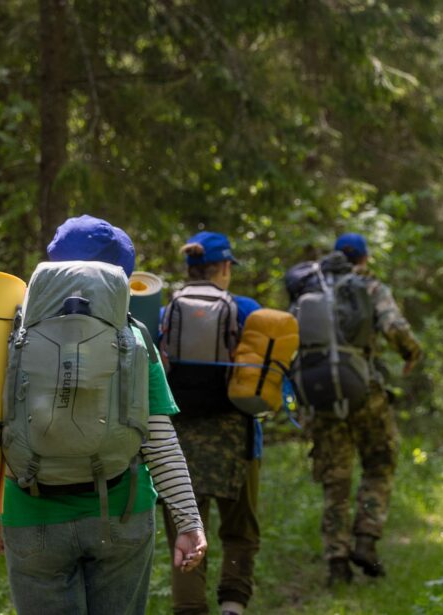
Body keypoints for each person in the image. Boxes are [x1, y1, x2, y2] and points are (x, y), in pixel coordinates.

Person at [0, 215, 207, 615]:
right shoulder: (134, 334)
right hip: (122, 513)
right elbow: (159, 439)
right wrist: (189, 522)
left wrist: (2, 512)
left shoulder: (12, 330)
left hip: (31, 513)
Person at [307, 232, 422, 585]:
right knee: (379, 463)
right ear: (364, 258)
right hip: (365, 394)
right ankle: (366, 540)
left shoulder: (312, 289)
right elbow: (394, 326)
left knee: (335, 480)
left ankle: (336, 563)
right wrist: (411, 353)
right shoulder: (369, 286)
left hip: (321, 397)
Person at [158, 231, 262, 615]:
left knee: (185, 532)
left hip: (178, 442)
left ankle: (190, 608)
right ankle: (233, 606)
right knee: (240, 530)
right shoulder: (246, 308)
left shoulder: (165, 313)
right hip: (236, 438)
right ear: (222, 267)